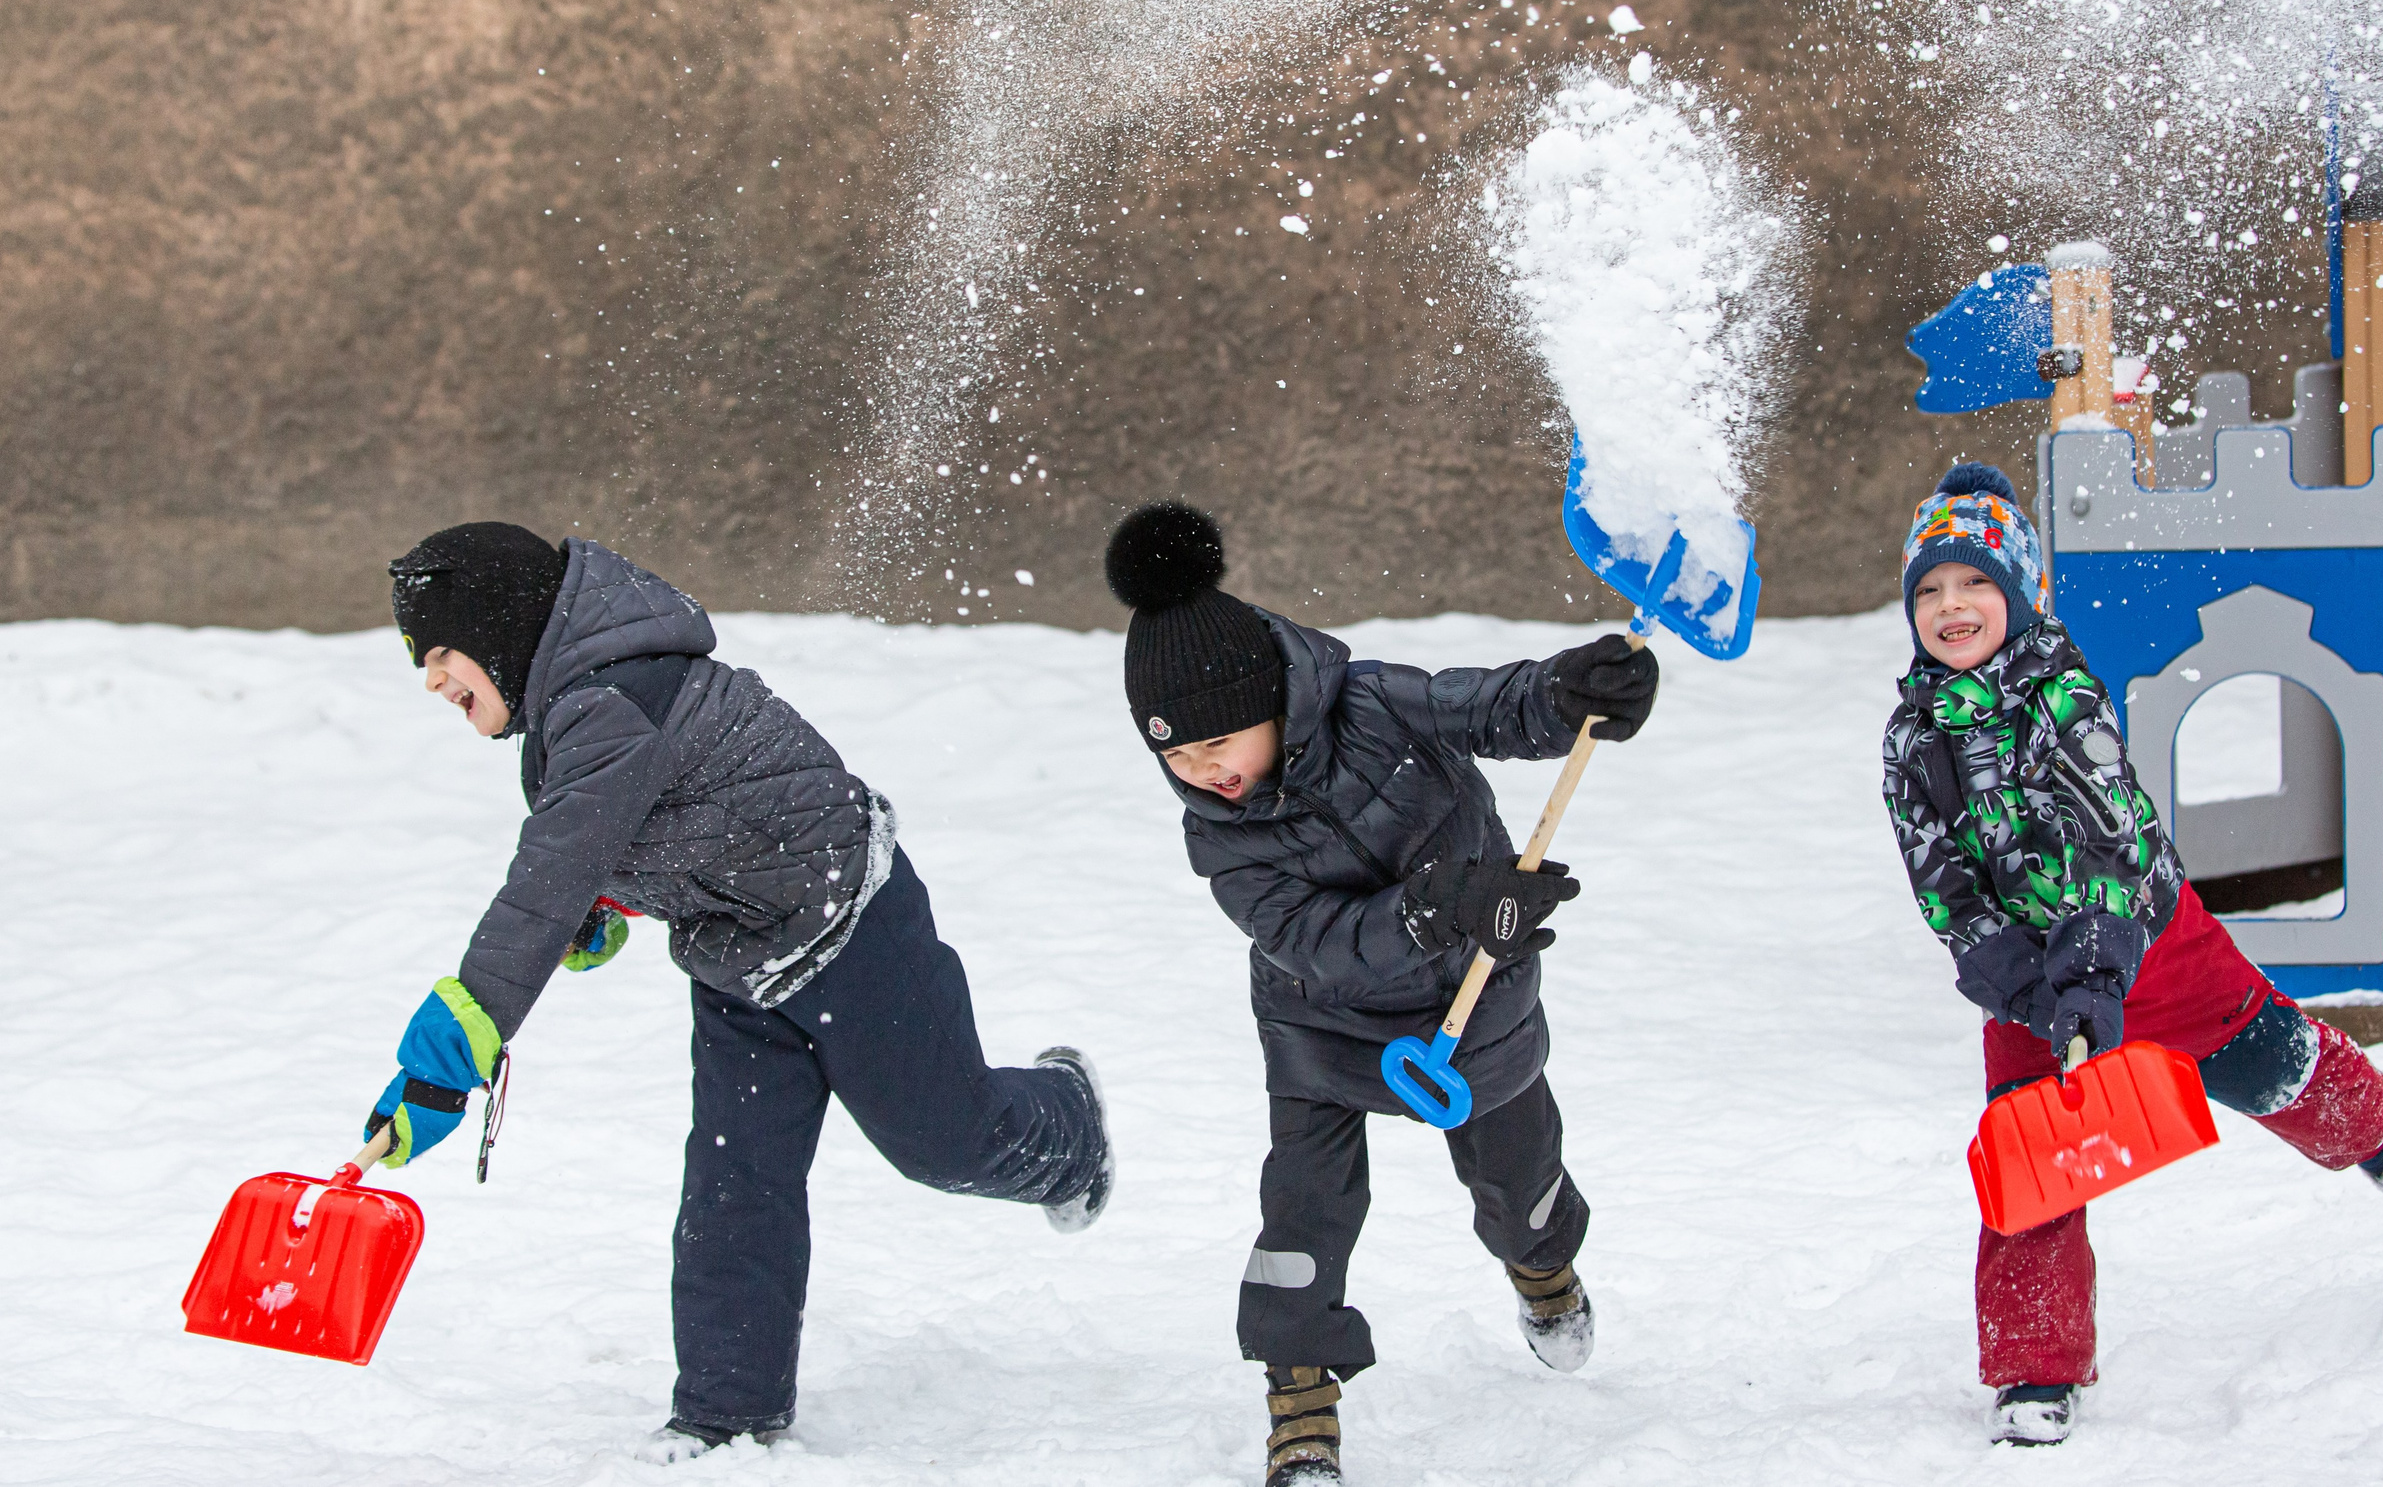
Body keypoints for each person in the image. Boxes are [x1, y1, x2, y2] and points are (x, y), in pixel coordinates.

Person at [366, 523, 1111, 1459]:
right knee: (732, 1185)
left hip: (851, 924)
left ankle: (1070, 1126)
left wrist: (444, 1065)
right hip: (740, 965)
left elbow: (541, 883)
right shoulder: (579, 712)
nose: (431, 680)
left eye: (440, 654)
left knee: (944, 1139)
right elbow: (611, 846)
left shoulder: (610, 704)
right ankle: (726, 1410)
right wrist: (600, 907)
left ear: (504, 628)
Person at [1881, 464, 2383, 1447]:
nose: (1950, 605)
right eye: (1928, 590)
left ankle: (2380, 1133)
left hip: (2149, 946)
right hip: (2029, 986)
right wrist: (2017, 981)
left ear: (2018, 596)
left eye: (1974, 582)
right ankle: (2032, 1370)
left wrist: (2094, 969)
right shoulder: (1909, 736)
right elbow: (1940, 878)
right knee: (2033, 1163)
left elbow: (2109, 839)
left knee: (2273, 1065)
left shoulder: (2063, 699)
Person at [1103, 502, 1657, 1487]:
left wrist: (1573, 693)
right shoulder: (1220, 838)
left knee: (1517, 1179)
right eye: (1178, 759)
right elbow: (1314, 944)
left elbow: (1487, 705)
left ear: (1273, 696)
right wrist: (1437, 904)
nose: (1206, 774)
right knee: (1302, 1216)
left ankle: (1541, 1268)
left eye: (1217, 743)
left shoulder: (1374, 703)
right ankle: (1300, 1402)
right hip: (1323, 1026)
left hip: (1476, 982)